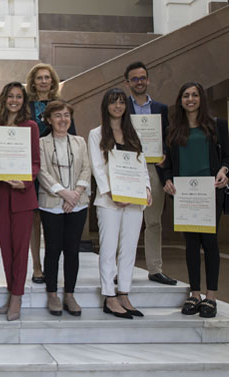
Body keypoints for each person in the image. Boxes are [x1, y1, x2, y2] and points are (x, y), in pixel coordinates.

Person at [163, 82, 229, 318]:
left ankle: (211, 296)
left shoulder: (218, 125)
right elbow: (166, 163)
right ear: (180, 100)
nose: (190, 99)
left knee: (210, 243)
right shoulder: (173, 129)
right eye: (186, 95)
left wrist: (224, 170)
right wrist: (167, 180)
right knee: (191, 244)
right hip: (184, 194)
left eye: (194, 95)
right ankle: (195, 293)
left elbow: (227, 157)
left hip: (210, 192)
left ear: (201, 98)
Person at [88, 87, 151, 319]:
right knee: (108, 248)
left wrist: (146, 188)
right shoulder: (96, 134)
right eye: (113, 102)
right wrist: (113, 193)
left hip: (134, 200)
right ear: (106, 106)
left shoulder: (133, 134)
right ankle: (109, 295)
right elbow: (96, 167)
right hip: (109, 201)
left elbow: (141, 165)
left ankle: (124, 292)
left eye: (121, 102)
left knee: (129, 248)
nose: (117, 106)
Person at [0, 82, 40, 321]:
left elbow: (36, 162)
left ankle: (17, 296)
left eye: (19, 97)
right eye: (10, 96)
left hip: (22, 196)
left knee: (20, 249)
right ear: (3, 99)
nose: (14, 100)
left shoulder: (31, 127)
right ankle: (11, 291)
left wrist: (26, 182)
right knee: (6, 251)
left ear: (23, 100)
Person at [124, 61, 176, 286]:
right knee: (125, 220)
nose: (139, 82)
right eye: (134, 79)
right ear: (127, 83)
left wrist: (164, 152)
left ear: (148, 79)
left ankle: (155, 269)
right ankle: (122, 269)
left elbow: (167, 139)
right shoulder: (121, 106)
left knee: (153, 220)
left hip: (153, 168)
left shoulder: (161, 109)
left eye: (142, 77)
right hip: (127, 168)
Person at [25, 63, 76, 285]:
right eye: (39, 78)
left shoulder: (62, 106)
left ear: (53, 81)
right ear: (33, 82)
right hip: (29, 168)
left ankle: (52, 264)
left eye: (47, 77)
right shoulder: (26, 107)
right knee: (34, 218)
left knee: (53, 219)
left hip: (57, 171)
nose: (44, 81)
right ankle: (37, 266)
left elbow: (72, 138)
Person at [38, 100, 90, 316]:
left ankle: (69, 293)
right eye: (58, 115)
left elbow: (87, 168)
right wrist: (63, 193)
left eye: (66, 115)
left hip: (78, 204)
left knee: (72, 250)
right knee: (52, 250)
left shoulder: (80, 142)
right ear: (49, 120)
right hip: (52, 204)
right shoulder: (41, 143)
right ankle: (52, 293)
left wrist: (75, 193)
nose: (63, 119)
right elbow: (41, 172)